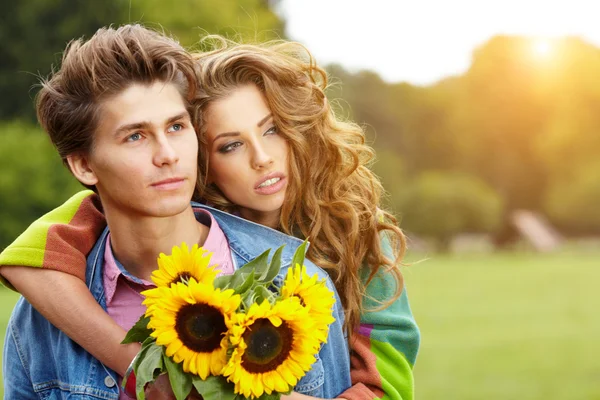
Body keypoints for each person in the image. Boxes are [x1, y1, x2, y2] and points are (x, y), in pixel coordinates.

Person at [1, 36, 419, 399]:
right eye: (230, 145)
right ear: (206, 162)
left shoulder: (351, 240)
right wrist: (141, 369)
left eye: (272, 129)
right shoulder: (149, 203)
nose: (262, 158)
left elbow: (388, 388)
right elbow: (30, 255)